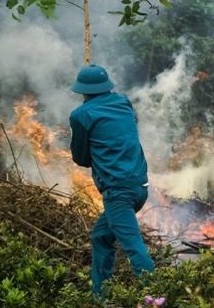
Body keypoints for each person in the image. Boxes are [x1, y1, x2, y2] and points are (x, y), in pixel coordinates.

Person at [68, 64, 155, 295]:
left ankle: (159, 295)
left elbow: (81, 158)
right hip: (140, 187)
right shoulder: (124, 102)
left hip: (118, 192)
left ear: (82, 90)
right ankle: (100, 295)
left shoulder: (81, 115)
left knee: (133, 246)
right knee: (101, 236)